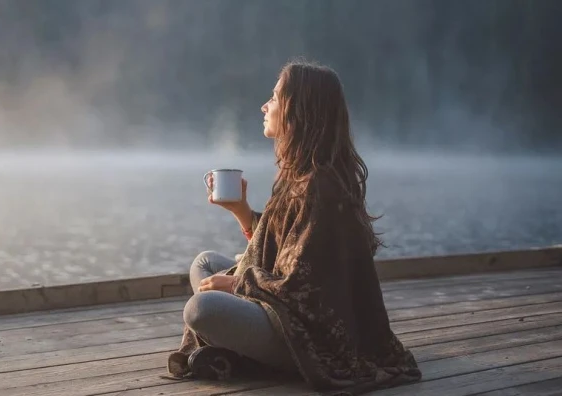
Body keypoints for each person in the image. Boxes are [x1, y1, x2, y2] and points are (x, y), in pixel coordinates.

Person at [165, 59, 422, 394]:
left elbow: (303, 288)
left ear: (298, 110)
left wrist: (236, 284)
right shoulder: (300, 174)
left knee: (202, 308)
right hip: (283, 308)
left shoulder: (322, 187)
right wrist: (241, 211)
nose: (264, 105)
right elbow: (283, 249)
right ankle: (238, 344)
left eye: (273, 97)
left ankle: (250, 355)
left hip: (314, 337)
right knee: (205, 263)